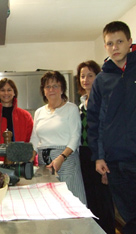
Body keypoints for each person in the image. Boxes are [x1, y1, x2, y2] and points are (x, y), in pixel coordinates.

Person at [87, 21, 136, 233]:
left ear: (130, 42)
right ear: (105, 47)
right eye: (110, 43)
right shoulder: (100, 80)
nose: (115, 47)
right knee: (128, 216)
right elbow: (94, 121)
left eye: (119, 42)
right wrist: (98, 157)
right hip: (116, 163)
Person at [30, 71, 87, 205]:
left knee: (72, 203)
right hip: (44, 164)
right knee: (51, 203)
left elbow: (75, 137)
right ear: (43, 91)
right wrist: (29, 157)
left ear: (62, 89)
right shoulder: (39, 112)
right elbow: (34, 139)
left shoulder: (71, 109)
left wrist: (61, 158)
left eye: (55, 86)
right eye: (47, 86)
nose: (51, 90)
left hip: (65, 160)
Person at [76, 60, 115, 234]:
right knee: (90, 200)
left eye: (90, 75)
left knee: (104, 202)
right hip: (83, 156)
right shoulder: (79, 106)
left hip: (99, 155)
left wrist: (105, 161)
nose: (85, 80)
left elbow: (106, 133)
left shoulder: (104, 102)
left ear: (98, 77)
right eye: (82, 76)